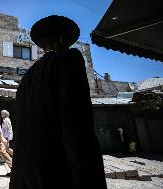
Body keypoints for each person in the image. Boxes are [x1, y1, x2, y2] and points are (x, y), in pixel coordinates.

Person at [9, 15, 107, 188]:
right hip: (55, 177)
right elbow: (77, 130)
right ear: (63, 39)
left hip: (25, 178)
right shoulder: (69, 60)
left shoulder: (26, 80)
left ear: (43, 45)